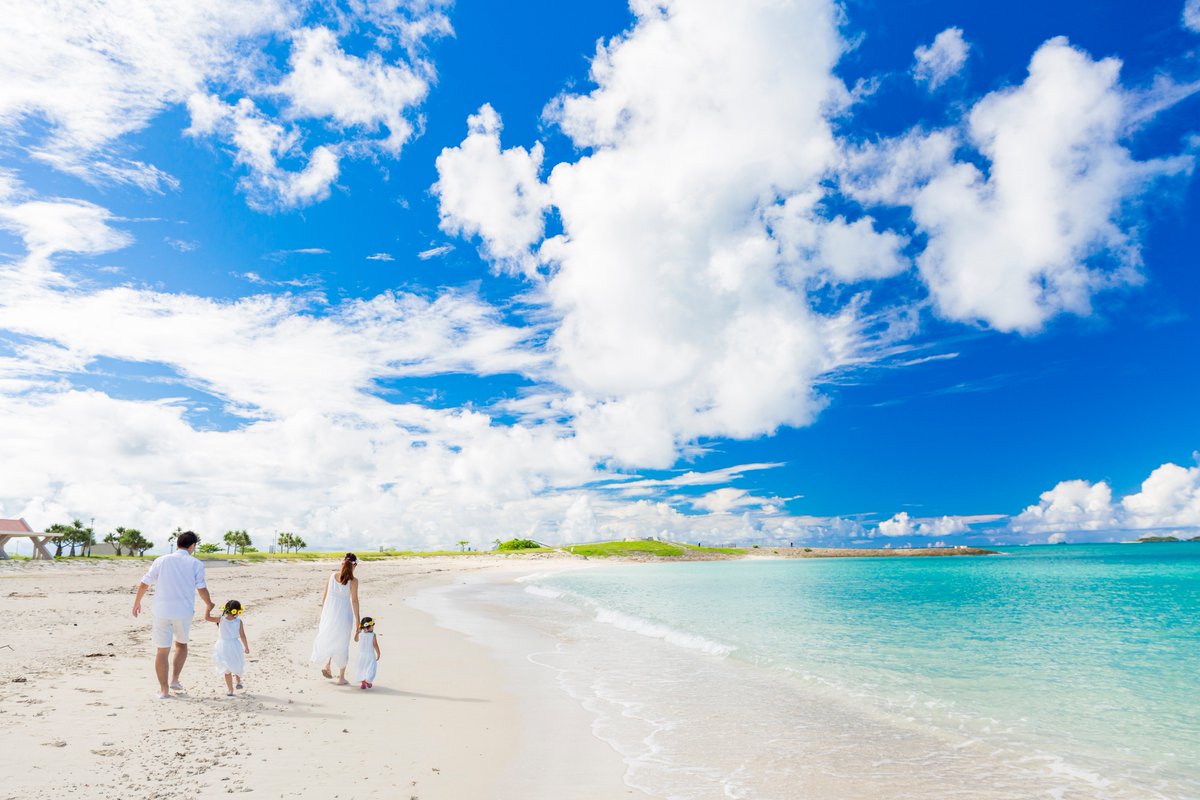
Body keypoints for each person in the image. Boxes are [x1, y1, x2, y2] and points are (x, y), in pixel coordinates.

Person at [132, 530, 214, 699]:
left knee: (162, 651)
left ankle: (164, 690)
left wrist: (137, 602)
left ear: (177, 543)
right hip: (183, 612)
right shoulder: (195, 563)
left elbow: (144, 582)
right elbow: (201, 588)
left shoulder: (161, 560)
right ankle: (175, 680)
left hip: (161, 611)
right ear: (192, 546)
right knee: (181, 645)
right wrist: (209, 604)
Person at [311, 553, 360, 685]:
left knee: (331, 637)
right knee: (342, 642)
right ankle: (341, 677)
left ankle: (327, 664)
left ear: (342, 563)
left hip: (329, 613)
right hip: (344, 614)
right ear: (354, 565)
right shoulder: (353, 581)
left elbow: (325, 597)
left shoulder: (332, 576)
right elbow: (354, 601)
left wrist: (324, 615)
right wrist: (358, 621)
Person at [206, 600, 250, 697]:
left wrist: (208, 608)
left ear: (226, 609)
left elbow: (207, 618)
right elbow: (243, 635)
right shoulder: (239, 621)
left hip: (223, 645)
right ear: (237, 611)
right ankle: (238, 681)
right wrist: (246, 647)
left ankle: (230, 690)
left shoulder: (221, 619)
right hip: (235, 644)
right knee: (237, 662)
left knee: (226, 668)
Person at [353, 616, 381, 690]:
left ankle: (363, 683)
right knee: (370, 668)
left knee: (362, 668)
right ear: (367, 627)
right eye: (372, 626)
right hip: (370, 655)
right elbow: (375, 645)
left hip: (361, 655)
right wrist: (378, 653)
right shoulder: (373, 635)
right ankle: (367, 681)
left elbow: (355, 640)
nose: (373, 628)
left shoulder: (360, 634)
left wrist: (357, 633)